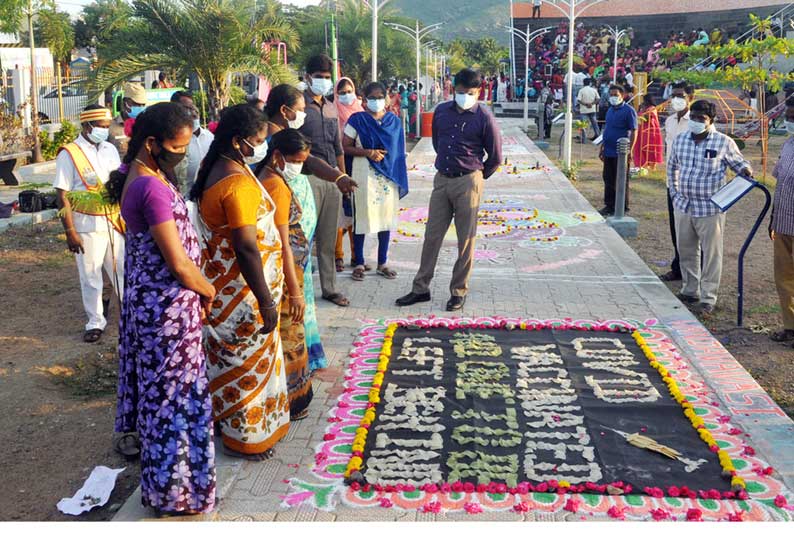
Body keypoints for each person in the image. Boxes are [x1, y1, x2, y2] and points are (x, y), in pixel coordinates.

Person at [107, 102, 216, 516]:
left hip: (156, 304)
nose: (182, 154)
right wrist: (209, 291)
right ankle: (178, 495)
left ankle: (170, 489)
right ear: (151, 144)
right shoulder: (150, 187)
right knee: (174, 399)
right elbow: (179, 263)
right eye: (176, 146)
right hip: (166, 310)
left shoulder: (141, 174)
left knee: (163, 398)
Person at [190, 104, 290, 460]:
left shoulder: (215, 165)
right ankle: (246, 439)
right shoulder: (236, 184)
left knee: (229, 360)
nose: (262, 147)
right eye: (258, 141)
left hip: (226, 286)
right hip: (244, 294)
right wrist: (265, 301)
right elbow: (246, 247)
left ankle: (232, 427)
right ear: (238, 141)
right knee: (244, 363)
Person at [396, 68, 502, 311]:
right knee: (432, 235)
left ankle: (458, 290)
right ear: (454, 90)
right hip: (442, 179)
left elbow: (495, 156)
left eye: (470, 93)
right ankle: (420, 288)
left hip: (469, 180)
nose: (464, 96)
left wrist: (476, 177)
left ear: (479, 92)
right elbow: (437, 142)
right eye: (460, 92)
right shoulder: (442, 111)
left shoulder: (484, 117)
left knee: (465, 240)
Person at [260, 84, 329, 372]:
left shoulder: (287, 148)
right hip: (286, 257)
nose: (303, 114)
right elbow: (282, 239)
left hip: (296, 256)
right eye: (300, 110)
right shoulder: (273, 168)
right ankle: (291, 370)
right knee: (291, 307)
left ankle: (303, 359)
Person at [667, 100, 752, 316]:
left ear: (710, 121)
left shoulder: (723, 142)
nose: (695, 122)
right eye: (693, 117)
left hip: (710, 208)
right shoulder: (681, 140)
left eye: (701, 119)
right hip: (684, 204)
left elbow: (739, 164)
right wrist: (675, 193)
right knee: (686, 250)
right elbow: (672, 167)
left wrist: (745, 170)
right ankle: (689, 290)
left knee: (711, 254)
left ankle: (708, 298)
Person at [53, 104, 124, 343]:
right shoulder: (69, 153)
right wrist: (70, 231)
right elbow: (62, 195)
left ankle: (130, 316)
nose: (105, 131)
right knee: (91, 276)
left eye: (107, 126)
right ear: (87, 126)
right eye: (101, 127)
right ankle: (95, 322)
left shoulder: (110, 150)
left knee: (122, 271)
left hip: (113, 221)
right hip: (86, 224)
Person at [257, 129, 314, 420]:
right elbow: (282, 242)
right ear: (277, 156)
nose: (299, 168)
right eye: (295, 161)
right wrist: (295, 290)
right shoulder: (275, 184)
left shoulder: (273, 177)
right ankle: (292, 401)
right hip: (284, 272)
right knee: (291, 335)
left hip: (287, 270)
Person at [343, 81, 409, 282]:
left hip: (388, 175)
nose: (377, 101)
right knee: (361, 217)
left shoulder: (394, 121)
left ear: (386, 97)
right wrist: (367, 152)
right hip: (363, 173)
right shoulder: (357, 120)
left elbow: (398, 152)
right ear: (364, 99)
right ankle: (360, 262)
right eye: (372, 97)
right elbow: (345, 146)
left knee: (385, 218)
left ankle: (382, 263)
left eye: (380, 97)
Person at [299, 54, 351, 307]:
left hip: (332, 178)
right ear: (308, 77)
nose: (323, 81)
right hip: (306, 178)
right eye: (319, 77)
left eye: (327, 77)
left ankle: (329, 288)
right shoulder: (299, 107)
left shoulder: (331, 107)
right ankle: (300, 287)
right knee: (303, 237)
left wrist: (343, 178)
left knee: (329, 236)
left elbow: (338, 147)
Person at [660, 82, 695, 282]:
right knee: (675, 227)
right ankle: (678, 267)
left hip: (689, 184)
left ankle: (691, 270)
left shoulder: (697, 121)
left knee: (689, 229)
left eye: (680, 95)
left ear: (690, 96)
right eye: (673, 95)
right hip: (671, 182)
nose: (676, 100)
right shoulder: (670, 121)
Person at [770, 100, 794, 343]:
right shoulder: (788, 145)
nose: (789, 122)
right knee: (784, 276)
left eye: (793, 117)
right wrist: (773, 219)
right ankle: (790, 326)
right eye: (788, 116)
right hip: (784, 222)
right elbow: (780, 183)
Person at [334, 77, 363, 272]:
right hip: (335, 164)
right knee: (339, 211)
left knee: (355, 211)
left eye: (349, 91)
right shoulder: (331, 111)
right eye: (342, 92)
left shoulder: (361, 112)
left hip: (357, 164)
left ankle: (356, 255)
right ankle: (338, 256)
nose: (346, 95)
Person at [599, 84, 637, 216]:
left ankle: (622, 206)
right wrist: (602, 146)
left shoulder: (628, 110)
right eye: (611, 95)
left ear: (623, 95)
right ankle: (609, 205)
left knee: (620, 179)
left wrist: (630, 150)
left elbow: (633, 130)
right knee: (608, 178)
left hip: (621, 152)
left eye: (616, 95)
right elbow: (607, 129)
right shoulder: (610, 110)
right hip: (608, 149)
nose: (613, 97)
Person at [170, 90, 214, 195]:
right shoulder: (172, 141)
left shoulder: (209, 137)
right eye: (186, 108)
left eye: (192, 107)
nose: (191, 112)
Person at [109, 82, 147, 156]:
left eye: (143, 105)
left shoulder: (147, 126)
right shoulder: (110, 127)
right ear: (124, 103)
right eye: (136, 104)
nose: (140, 107)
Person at [633, 93, 663, 170]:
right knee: (639, 147)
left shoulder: (652, 108)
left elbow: (647, 118)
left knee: (650, 149)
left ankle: (652, 166)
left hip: (650, 132)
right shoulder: (642, 108)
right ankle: (641, 165)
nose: (643, 102)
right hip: (641, 131)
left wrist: (643, 110)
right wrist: (640, 109)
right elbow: (637, 116)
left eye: (644, 100)